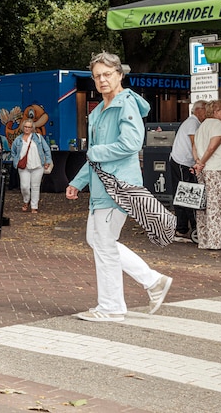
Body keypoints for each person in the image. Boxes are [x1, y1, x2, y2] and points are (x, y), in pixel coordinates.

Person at [66, 52, 172, 322]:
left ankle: (112, 307)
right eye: (97, 75)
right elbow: (95, 156)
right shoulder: (99, 110)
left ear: (119, 75)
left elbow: (131, 144)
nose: (102, 80)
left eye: (107, 74)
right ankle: (152, 281)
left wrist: (96, 152)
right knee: (99, 240)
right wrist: (78, 182)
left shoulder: (125, 104)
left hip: (118, 187)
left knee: (103, 242)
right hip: (104, 186)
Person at [192, 99, 221, 251]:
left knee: (204, 205)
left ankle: (204, 240)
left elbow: (194, 146)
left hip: (204, 170)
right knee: (217, 205)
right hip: (218, 169)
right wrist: (202, 162)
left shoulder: (202, 126)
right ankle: (217, 241)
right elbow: (212, 147)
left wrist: (198, 162)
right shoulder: (218, 125)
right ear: (216, 111)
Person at [168, 101, 207, 241]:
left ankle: (182, 228)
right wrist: (198, 160)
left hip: (182, 161)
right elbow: (194, 143)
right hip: (182, 162)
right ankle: (190, 227)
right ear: (198, 110)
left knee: (183, 194)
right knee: (187, 194)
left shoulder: (194, 123)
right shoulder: (193, 123)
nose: (207, 112)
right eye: (205, 109)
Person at [11, 118, 53, 213]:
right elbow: (13, 152)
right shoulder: (18, 139)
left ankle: (34, 206)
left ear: (32, 128)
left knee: (35, 186)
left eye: (29, 127)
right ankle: (26, 201)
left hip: (38, 165)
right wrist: (16, 161)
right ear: (23, 127)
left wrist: (47, 161)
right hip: (23, 166)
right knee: (24, 186)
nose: (27, 129)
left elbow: (47, 150)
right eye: (25, 127)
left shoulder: (38, 137)